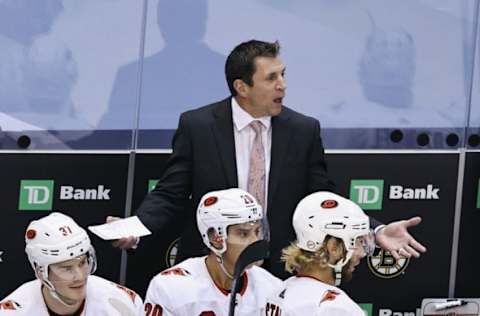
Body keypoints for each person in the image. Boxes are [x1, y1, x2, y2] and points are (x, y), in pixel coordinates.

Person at [112, 39, 426, 278]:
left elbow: (324, 198)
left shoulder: (302, 130)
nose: (283, 85)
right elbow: (171, 191)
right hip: (211, 268)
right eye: (272, 77)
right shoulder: (198, 126)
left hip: (279, 271)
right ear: (242, 87)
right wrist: (136, 226)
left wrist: (376, 230)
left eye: (283, 75)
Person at [144, 188, 282, 315]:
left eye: (257, 231)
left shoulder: (272, 288)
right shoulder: (170, 287)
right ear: (214, 238)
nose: (255, 241)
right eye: (243, 234)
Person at [0, 212, 143, 315]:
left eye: (82, 263)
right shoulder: (14, 311)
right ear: (41, 272)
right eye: (66, 268)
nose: (80, 276)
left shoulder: (121, 303)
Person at [265, 191, 375, 316]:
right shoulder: (335, 307)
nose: (362, 253)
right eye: (357, 241)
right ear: (333, 247)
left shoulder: (278, 292)